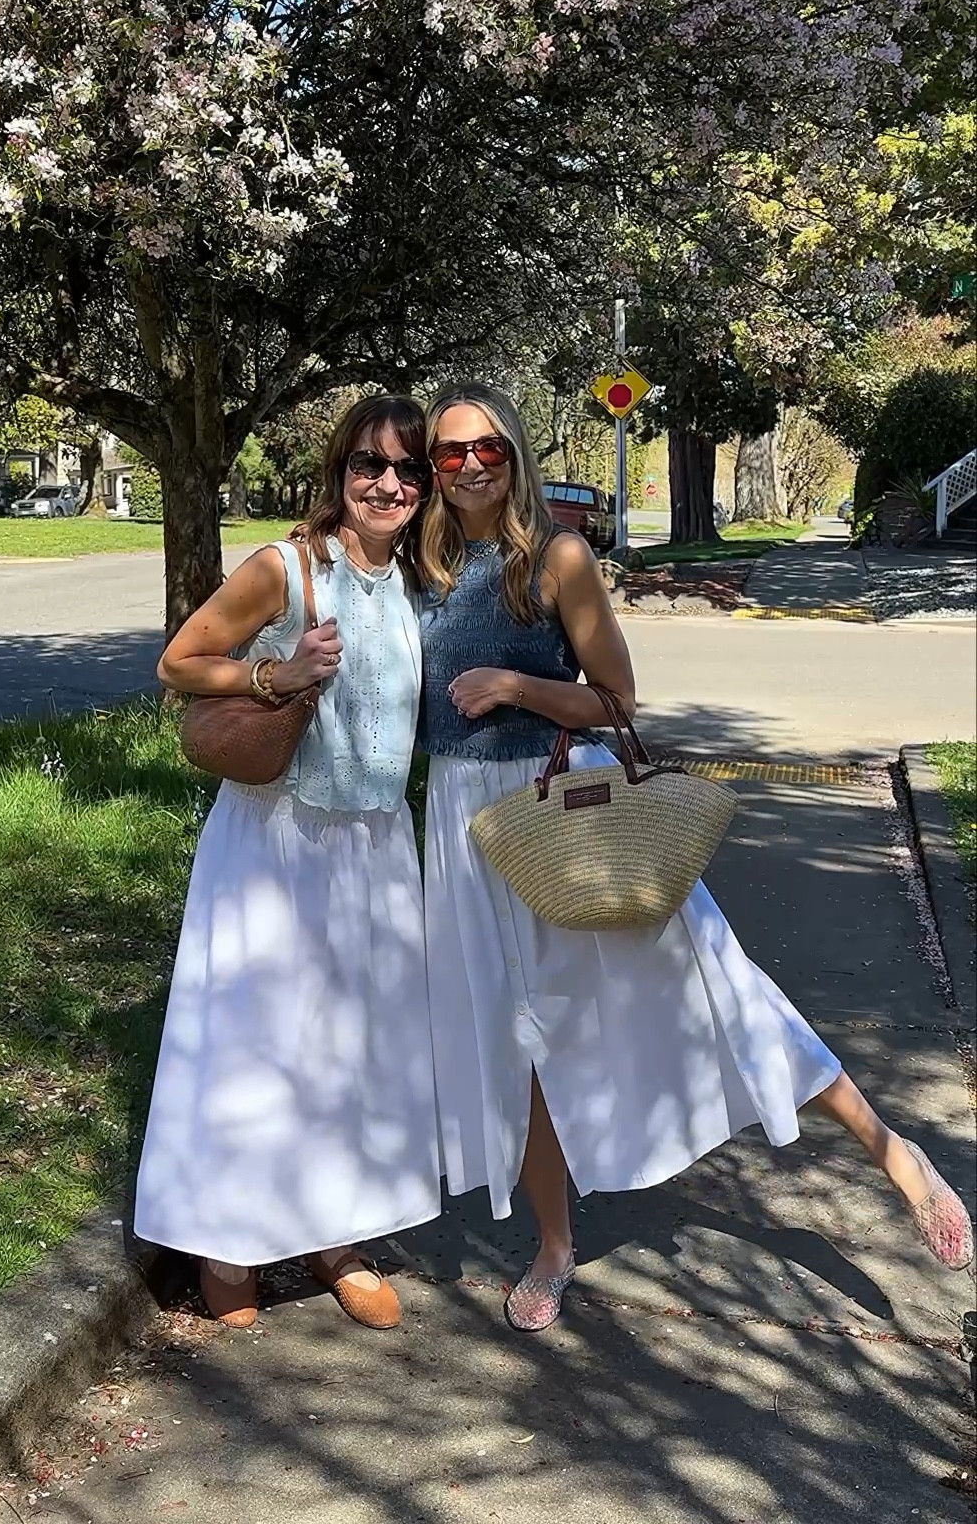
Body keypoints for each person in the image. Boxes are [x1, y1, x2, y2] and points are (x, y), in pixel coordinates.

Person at [417, 382, 974, 1332]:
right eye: (449, 453)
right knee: (518, 1042)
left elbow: (618, 700)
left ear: (515, 453)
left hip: (567, 816)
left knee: (722, 991)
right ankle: (554, 1246)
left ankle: (897, 1155)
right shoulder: (419, 567)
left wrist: (518, 684)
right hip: (461, 827)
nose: (470, 466)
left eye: (488, 449)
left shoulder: (556, 555)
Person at [134, 396, 441, 1331]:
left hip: (374, 845)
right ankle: (226, 1247)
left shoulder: (418, 582)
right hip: (276, 839)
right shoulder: (286, 566)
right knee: (254, 1039)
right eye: (369, 465)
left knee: (351, 1045)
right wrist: (272, 675)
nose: (388, 484)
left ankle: (334, 1238)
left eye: (408, 470)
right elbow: (180, 662)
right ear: (339, 470)